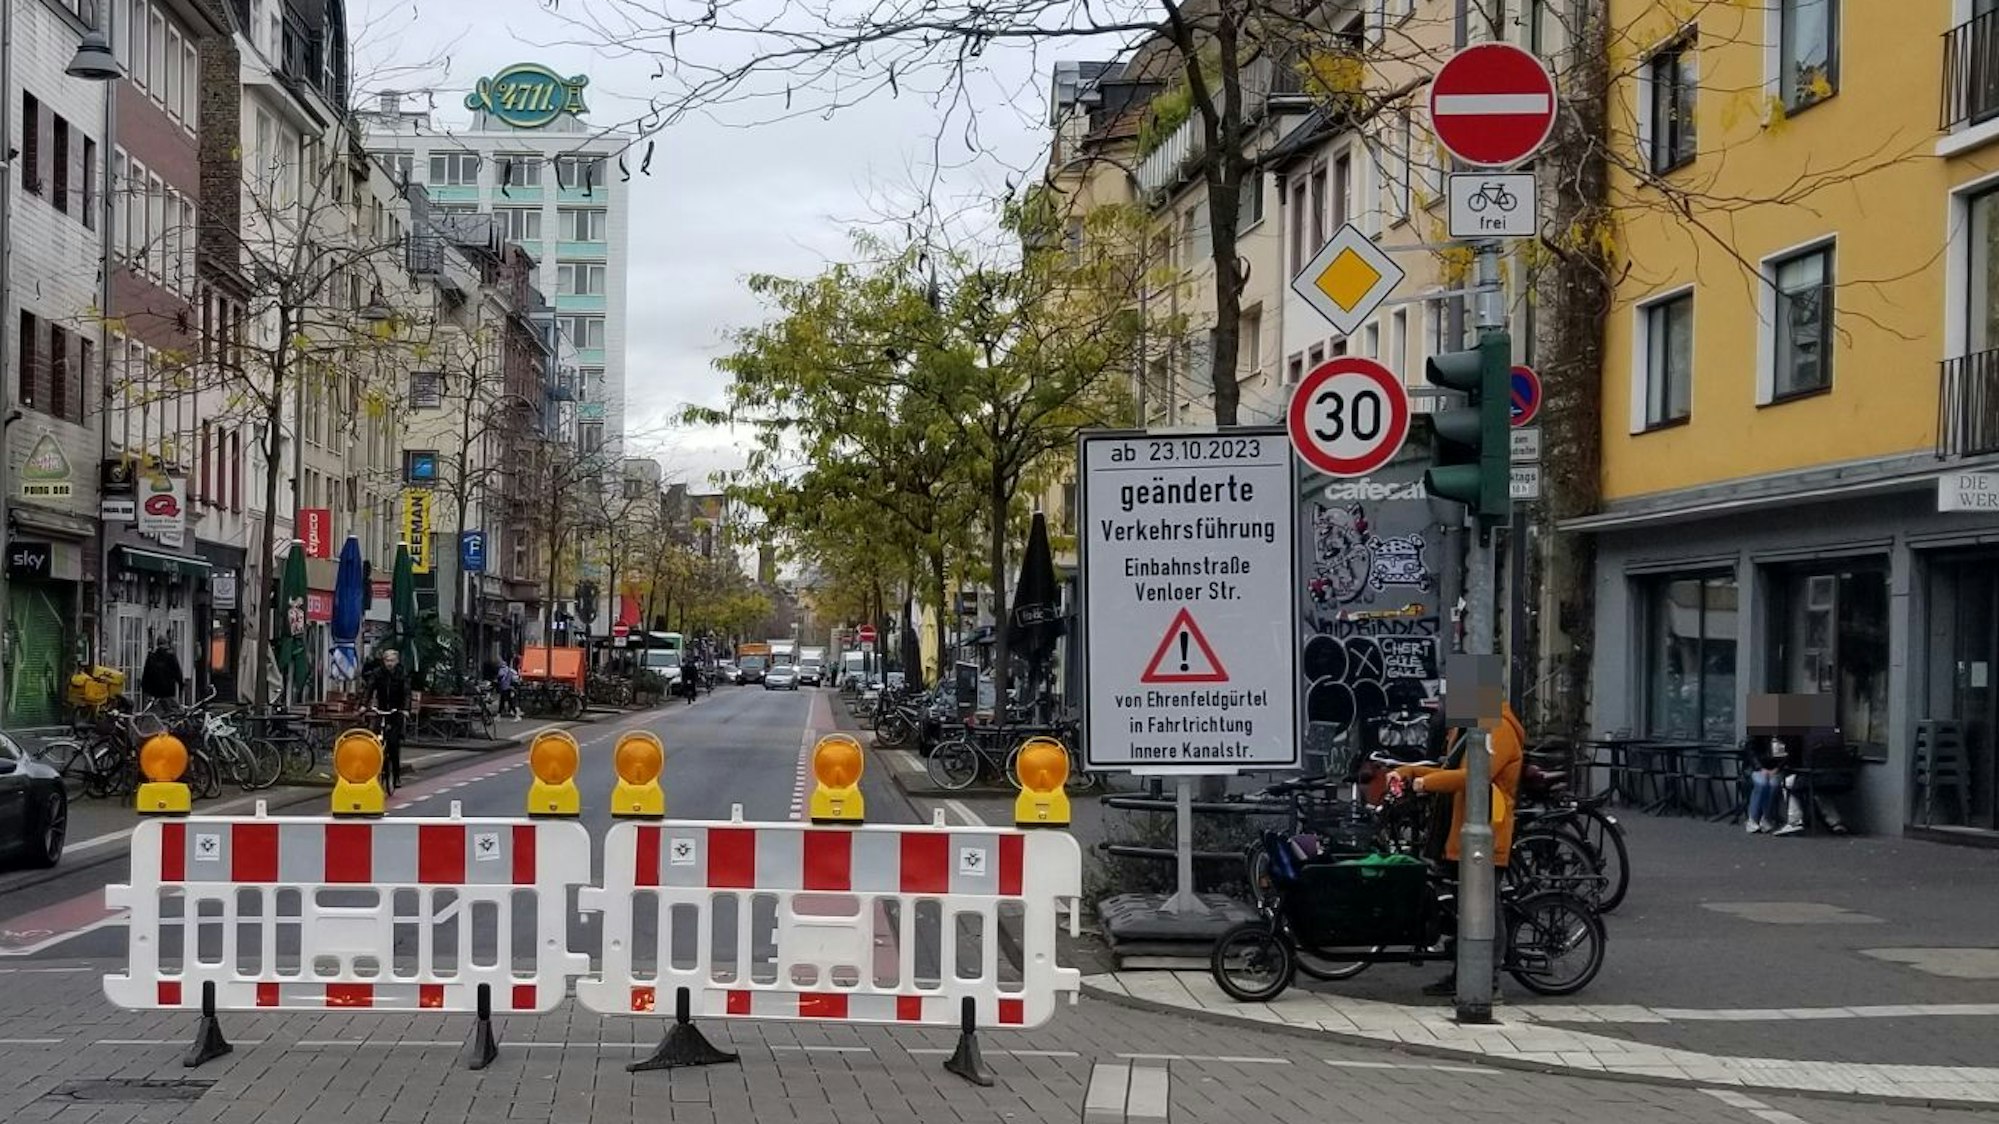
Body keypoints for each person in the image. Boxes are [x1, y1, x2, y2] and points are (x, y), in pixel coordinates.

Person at [1393, 700, 1526, 999]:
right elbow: (1448, 766)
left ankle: (1487, 983)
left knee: (1484, 909)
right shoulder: (1466, 728)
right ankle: (1463, 974)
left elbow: (1475, 775)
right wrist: (1409, 772)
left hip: (1488, 832)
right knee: (1465, 909)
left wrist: (1424, 783)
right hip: (1460, 832)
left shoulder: (1497, 727)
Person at [366, 648, 412, 783]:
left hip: (395, 712)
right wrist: (364, 705)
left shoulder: (401, 674)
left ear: (396, 661)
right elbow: (369, 689)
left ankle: (396, 776)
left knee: (393, 743)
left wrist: (405, 709)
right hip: (381, 710)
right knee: (375, 740)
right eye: (387, 661)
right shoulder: (377, 673)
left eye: (392, 661)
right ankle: (375, 771)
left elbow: (407, 693)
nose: (389, 663)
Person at [140, 636, 184, 709]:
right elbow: (177, 673)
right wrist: (181, 685)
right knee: (170, 711)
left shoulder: (152, 656)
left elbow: (146, 674)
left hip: (155, 691)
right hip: (168, 691)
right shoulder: (171, 656)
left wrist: (145, 689)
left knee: (155, 711)